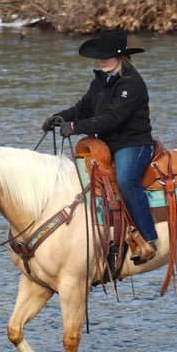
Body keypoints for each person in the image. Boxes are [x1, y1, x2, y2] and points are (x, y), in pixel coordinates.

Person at [42, 29, 158, 264]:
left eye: (107, 56)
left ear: (121, 57)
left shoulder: (132, 83)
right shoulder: (100, 81)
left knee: (126, 181)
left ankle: (148, 239)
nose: (102, 60)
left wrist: (75, 127)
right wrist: (59, 118)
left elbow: (112, 118)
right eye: (100, 56)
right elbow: (82, 107)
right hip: (106, 145)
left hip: (133, 144)